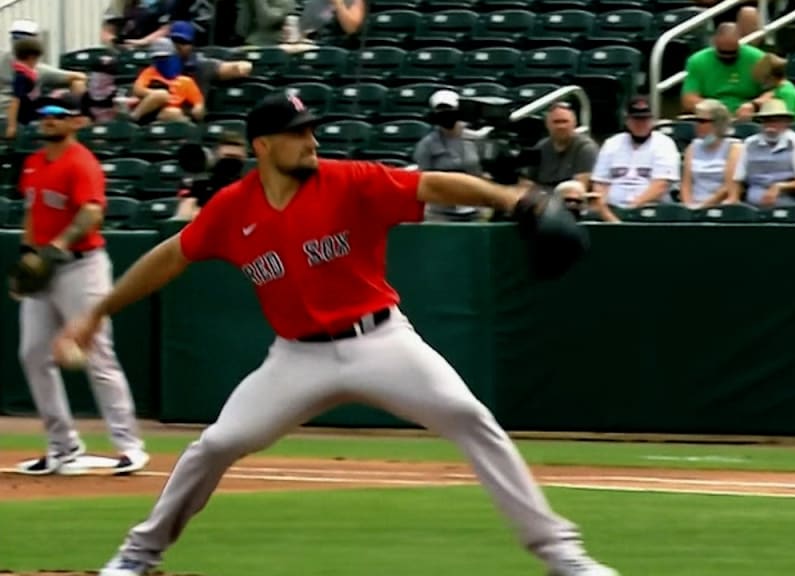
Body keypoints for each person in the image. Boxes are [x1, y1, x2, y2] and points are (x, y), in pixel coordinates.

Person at [54, 91, 617, 576]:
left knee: (470, 418)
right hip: (295, 357)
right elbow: (171, 257)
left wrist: (514, 198)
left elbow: (434, 186)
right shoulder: (233, 209)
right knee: (217, 444)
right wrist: (96, 311)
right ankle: (138, 555)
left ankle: (563, 556)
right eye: (297, 134)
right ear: (263, 147)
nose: (311, 141)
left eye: (311, 130)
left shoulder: (349, 181)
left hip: (380, 341)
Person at [11, 93, 148, 477]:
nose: (48, 119)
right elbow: (30, 210)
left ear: (77, 122)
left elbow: (92, 212)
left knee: (98, 354)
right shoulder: (34, 163)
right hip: (44, 271)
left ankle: (130, 446)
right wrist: (26, 251)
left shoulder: (81, 162)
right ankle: (62, 447)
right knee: (33, 354)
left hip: (80, 268)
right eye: (44, 114)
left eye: (58, 114)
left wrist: (57, 246)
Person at [591, 96, 681, 212]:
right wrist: (606, 212)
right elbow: (600, 183)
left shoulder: (664, 144)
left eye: (644, 119)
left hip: (650, 210)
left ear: (652, 121)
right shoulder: (612, 144)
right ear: (627, 121)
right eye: (636, 119)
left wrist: (631, 210)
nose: (640, 124)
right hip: (612, 210)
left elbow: (660, 186)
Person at [413, 89, 485, 221]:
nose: (446, 115)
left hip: (475, 208)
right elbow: (423, 180)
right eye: (441, 111)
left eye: (449, 110)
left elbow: (483, 172)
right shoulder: (426, 145)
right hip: (441, 212)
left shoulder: (476, 139)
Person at [730, 99, 795, 207]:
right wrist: (734, 199)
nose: (770, 126)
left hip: (788, 204)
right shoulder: (750, 143)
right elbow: (738, 178)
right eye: (766, 121)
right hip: (751, 205)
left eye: (775, 121)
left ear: (786, 122)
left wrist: (779, 186)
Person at [681, 23, 765, 120]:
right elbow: (688, 99)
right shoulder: (697, 60)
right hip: (710, 118)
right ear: (714, 43)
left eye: (732, 53)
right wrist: (711, 107)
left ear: (739, 42)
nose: (727, 57)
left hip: (750, 117)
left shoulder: (758, 58)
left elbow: (777, 90)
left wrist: (754, 105)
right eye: (723, 52)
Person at [680, 99, 741, 209]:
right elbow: (686, 185)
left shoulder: (734, 148)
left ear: (718, 123)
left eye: (702, 121)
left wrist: (703, 207)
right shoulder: (693, 147)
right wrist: (688, 207)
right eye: (696, 121)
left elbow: (729, 188)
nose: (697, 125)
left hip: (720, 206)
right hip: (692, 205)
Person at [526, 102, 599, 190]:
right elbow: (527, 182)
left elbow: (580, 188)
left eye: (565, 121)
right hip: (539, 197)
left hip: (569, 199)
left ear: (574, 124)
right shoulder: (539, 147)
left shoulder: (586, 148)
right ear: (547, 125)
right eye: (556, 122)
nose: (561, 126)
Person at [131, 37, 205, 124]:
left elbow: (199, 103)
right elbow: (137, 90)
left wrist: (198, 109)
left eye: (165, 57)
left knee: (173, 112)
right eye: (158, 58)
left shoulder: (185, 81)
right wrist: (155, 95)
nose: (161, 61)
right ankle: (133, 118)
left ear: (173, 56)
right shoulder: (150, 72)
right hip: (149, 111)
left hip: (166, 115)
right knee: (162, 94)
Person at [5, 36, 44, 140]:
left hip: (33, 113)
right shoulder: (21, 76)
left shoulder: (30, 74)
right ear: (31, 58)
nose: (36, 63)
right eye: (36, 59)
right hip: (26, 119)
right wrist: (11, 126)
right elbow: (15, 101)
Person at [751, 53, 795, 124]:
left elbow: (784, 118)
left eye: (764, 80)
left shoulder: (786, 92)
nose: (761, 83)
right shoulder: (774, 90)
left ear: (771, 78)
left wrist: (764, 106)